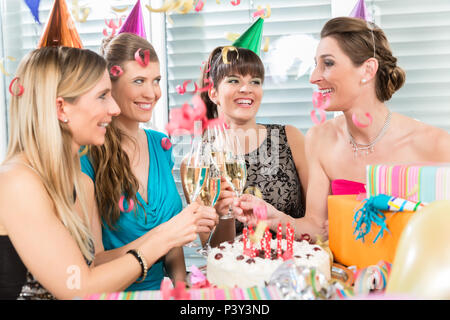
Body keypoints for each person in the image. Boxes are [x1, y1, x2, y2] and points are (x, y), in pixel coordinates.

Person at [0, 46, 213, 300]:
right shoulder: (17, 182)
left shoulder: (79, 183)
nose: (114, 109)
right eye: (102, 96)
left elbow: (95, 266)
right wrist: (165, 237)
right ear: (61, 109)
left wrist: (171, 232)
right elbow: (78, 287)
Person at [236, 17, 450, 241]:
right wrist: (272, 217)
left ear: (367, 70)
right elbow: (317, 228)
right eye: (315, 65)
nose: (314, 77)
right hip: (342, 275)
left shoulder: (436, 145)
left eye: (327, 63)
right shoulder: (320, 138)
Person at [80, 32, 218, 291]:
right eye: (139, 81)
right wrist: (166, 236)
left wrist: (181, 286)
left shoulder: (160, 145)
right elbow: (95, 262)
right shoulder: (87, 157)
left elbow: (173, 245)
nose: (151, 93)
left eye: (156, 81)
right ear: (110, 86)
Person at [187, 46, 308, 246]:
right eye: (234, 80)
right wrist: (223, 213)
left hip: (293, 269)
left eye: (255, 81)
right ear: (214, 93)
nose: (246, 88)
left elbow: (317, 222)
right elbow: (213, 249)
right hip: (234, 274)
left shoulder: (290, 138)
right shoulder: (197, 163)